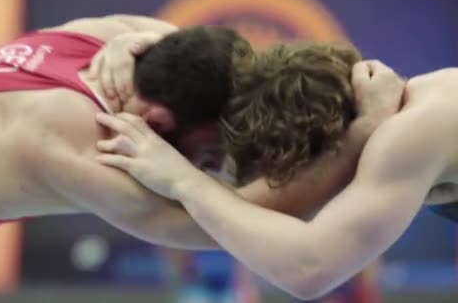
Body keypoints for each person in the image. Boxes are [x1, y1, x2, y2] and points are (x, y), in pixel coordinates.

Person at [0, 15, 384, 303]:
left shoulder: (115, 38)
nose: (211, 166)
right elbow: (236, 226)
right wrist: (359, 141)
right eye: (208, 154)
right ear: (157, 123)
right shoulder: (78, 144)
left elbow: (196, 46)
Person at [94, 41, 421, 300]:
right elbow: (180, 49)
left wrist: (183, 180)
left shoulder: (404, 138)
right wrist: (129, 42)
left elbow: (308, 272)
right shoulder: (398, 123)